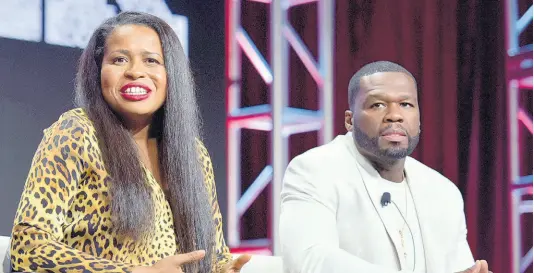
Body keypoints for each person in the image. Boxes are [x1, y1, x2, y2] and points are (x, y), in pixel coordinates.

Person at [8, 11, 250, 273]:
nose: (135, 72)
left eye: (151, 61)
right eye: (119, 59)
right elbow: (27, 247)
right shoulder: (77, 132)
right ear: (98, 71)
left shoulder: (194, 155)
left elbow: (212, 254)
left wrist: (225, 268)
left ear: (172, 75)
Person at [279, 61, 492, 273]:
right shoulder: (314, 170)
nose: (394, 115)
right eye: (377, 105)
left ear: (418, 119)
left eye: (406, 105)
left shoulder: (443, 192)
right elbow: (309, 260)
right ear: (349, 120)